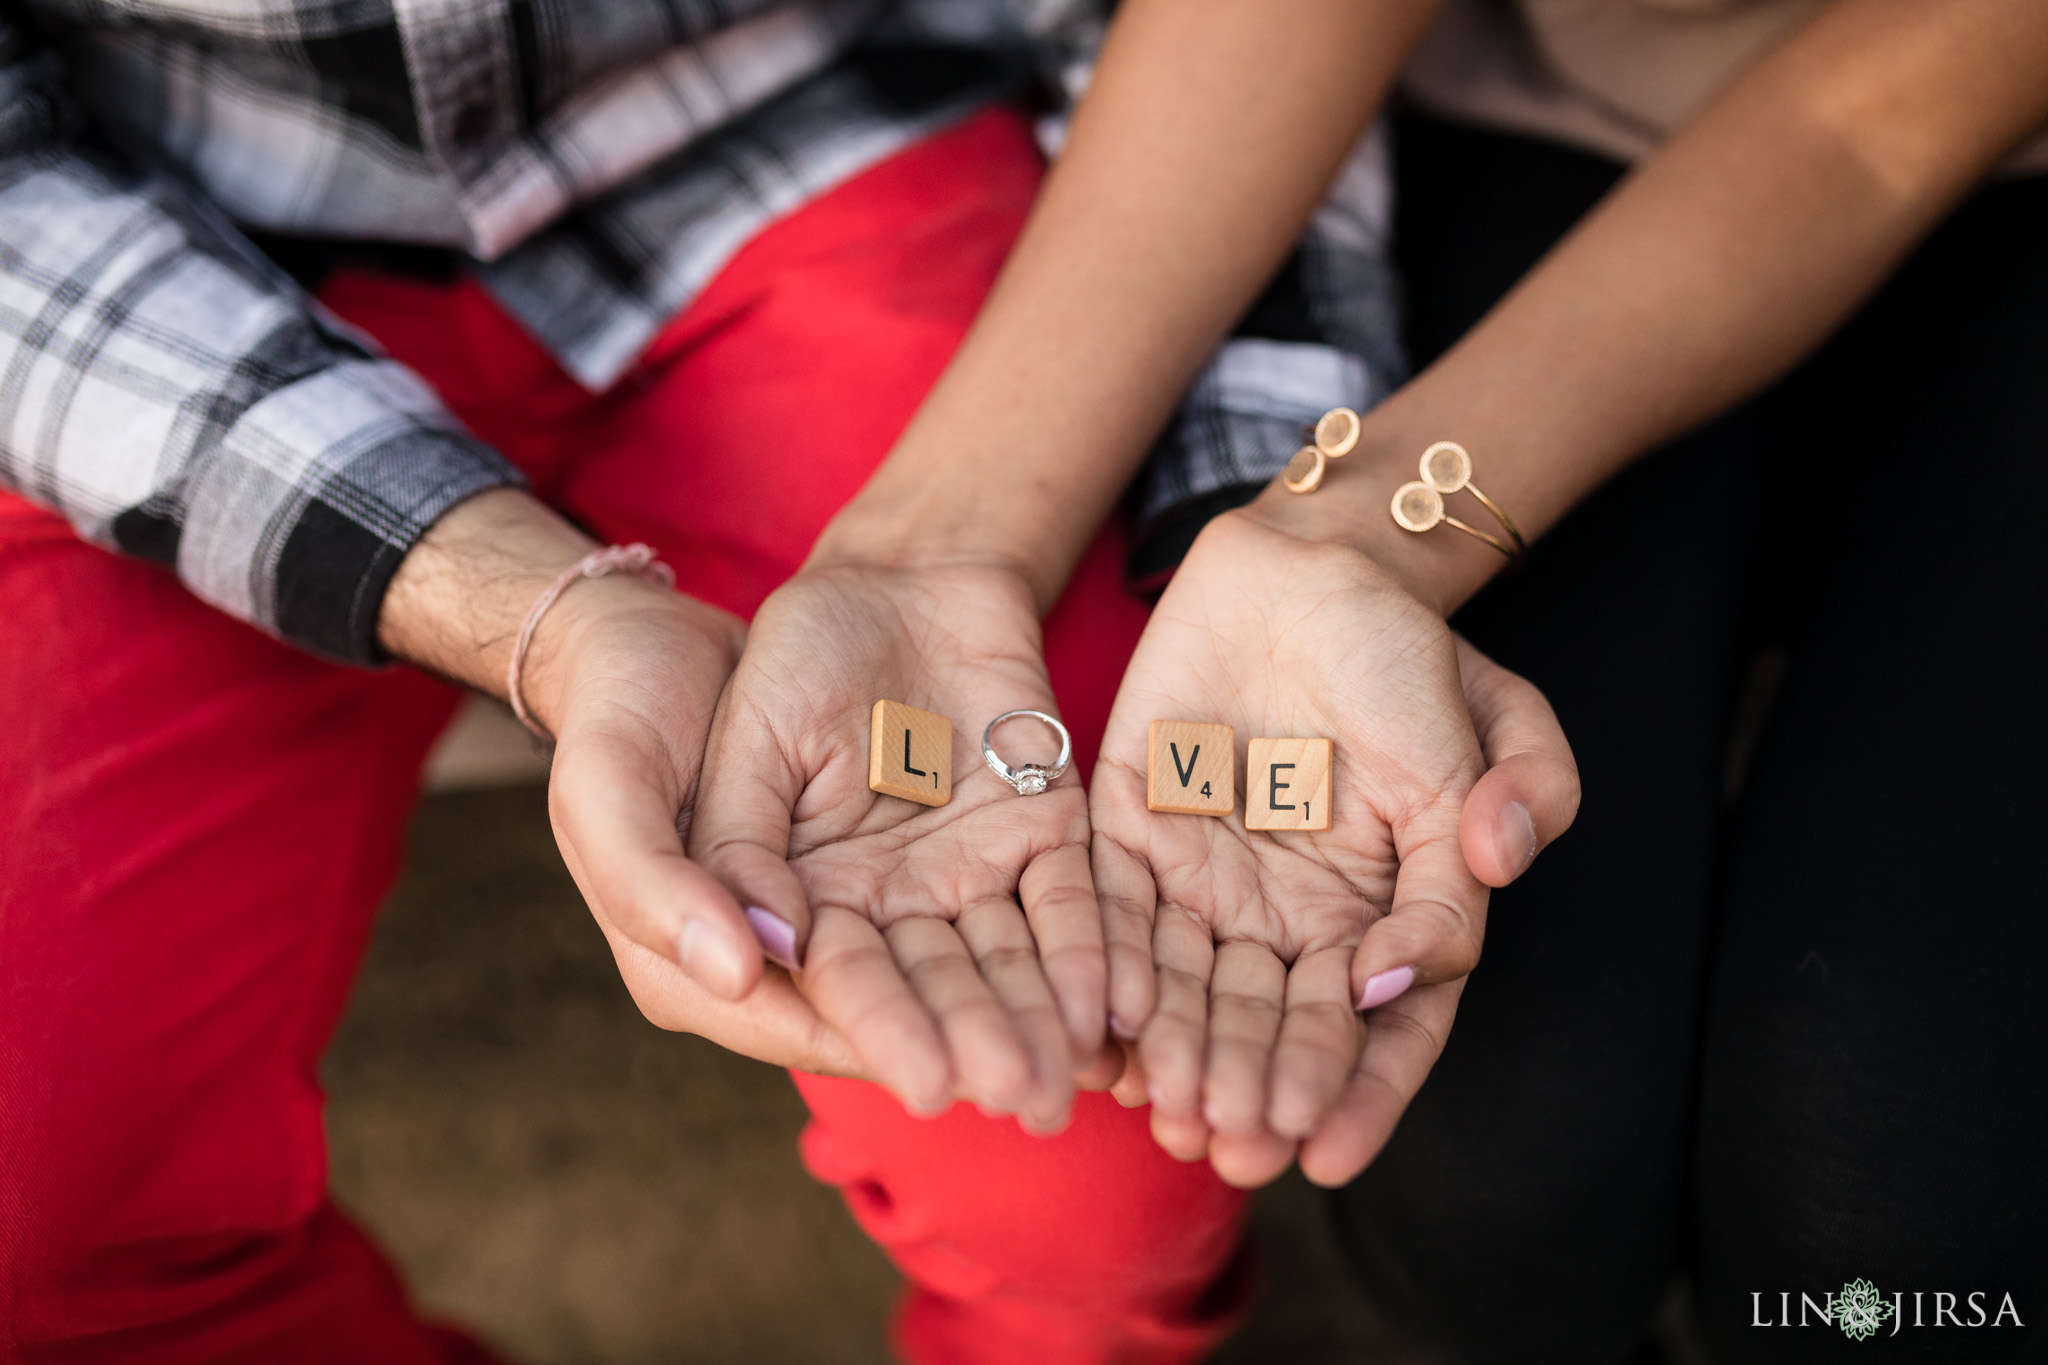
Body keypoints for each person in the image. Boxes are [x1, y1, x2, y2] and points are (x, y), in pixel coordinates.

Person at [0, 0, 1576, 1361]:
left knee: (1093, 1167)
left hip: (840, 142)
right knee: (36, 1193)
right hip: (148, 270)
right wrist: (533, 614)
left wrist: (1251, 517)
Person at [1034, 0, 2048, 1361]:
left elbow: (1879, 116)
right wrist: (1333, 539)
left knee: (1888, 1224)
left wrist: (1365, 525)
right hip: (1537, 112)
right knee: (1497, 1189)